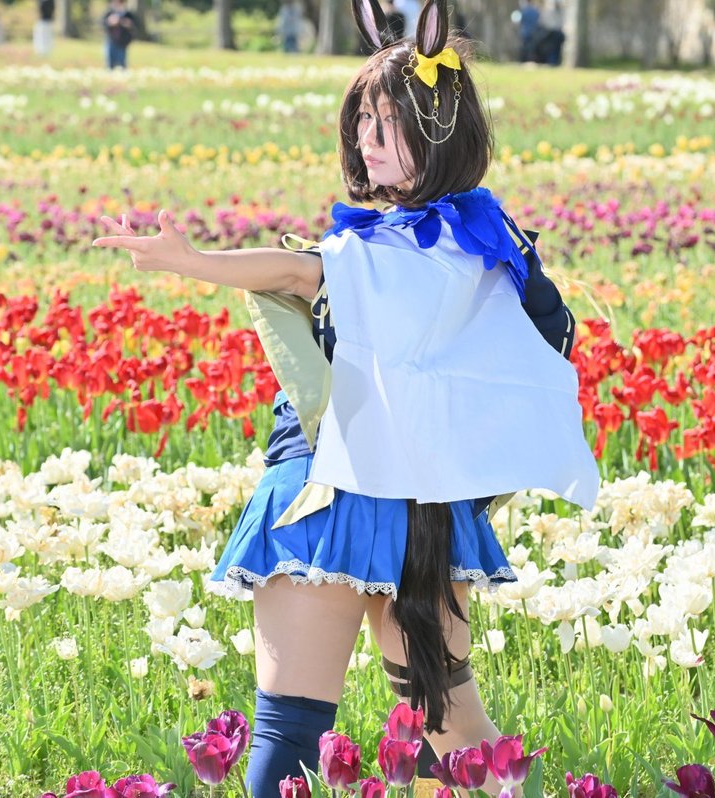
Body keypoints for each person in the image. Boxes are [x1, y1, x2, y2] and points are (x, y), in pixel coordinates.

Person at [92, 2, 598, 795]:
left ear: (439, 129)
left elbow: (297, 272)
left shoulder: (388, 249)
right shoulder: (493, 249)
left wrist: (190, 261)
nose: (367, 137)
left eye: (388, 121)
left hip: (326, 492)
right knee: (454, 732)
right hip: (430, 507)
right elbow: (546, 347)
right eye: (362, 119)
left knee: (292, 732)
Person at [101, 0, 136, 70]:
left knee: (121, 63)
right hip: (111, 41)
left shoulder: (128, 14)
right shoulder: (109, 13)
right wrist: (110, 22)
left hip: (122, 42)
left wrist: (123, 22)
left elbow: (134, 25)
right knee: (110, 64)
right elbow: (103, 23)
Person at [538, 0, 564, 66]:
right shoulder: (550, 11)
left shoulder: (560, 12)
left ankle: (554, 62)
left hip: (556, 33)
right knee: (552, 49)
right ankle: (552, 62)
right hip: (551, 33)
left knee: (556, 50)